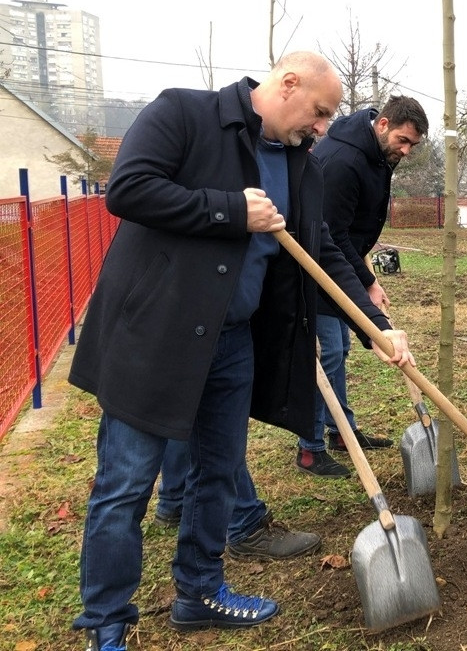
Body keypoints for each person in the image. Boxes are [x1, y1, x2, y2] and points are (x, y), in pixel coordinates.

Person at [69, 52, 414, 651]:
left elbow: (325, 251)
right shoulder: (184, 113)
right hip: (156, 338)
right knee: (126, 484)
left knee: (217, 474)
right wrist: (231, 210)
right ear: (287, 84)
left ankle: (199, 592)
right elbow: (128, 189)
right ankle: (107, 621)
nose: (324, 127)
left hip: (232, 343)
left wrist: (376, 325)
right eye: (320, 112)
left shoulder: (303, 164)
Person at [296, 95, 429, 476]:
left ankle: (341, 428)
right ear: (383, 124)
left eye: (412, 145)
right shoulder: (343, 161)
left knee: (339, 353)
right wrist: (368, 281)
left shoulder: (375, 154)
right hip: (317, 268)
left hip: (342, 263)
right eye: (402, 140)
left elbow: (353, 228)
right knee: (326, 354)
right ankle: (309, 446)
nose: (405, 150)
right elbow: (331, 235)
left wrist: (365, 270)